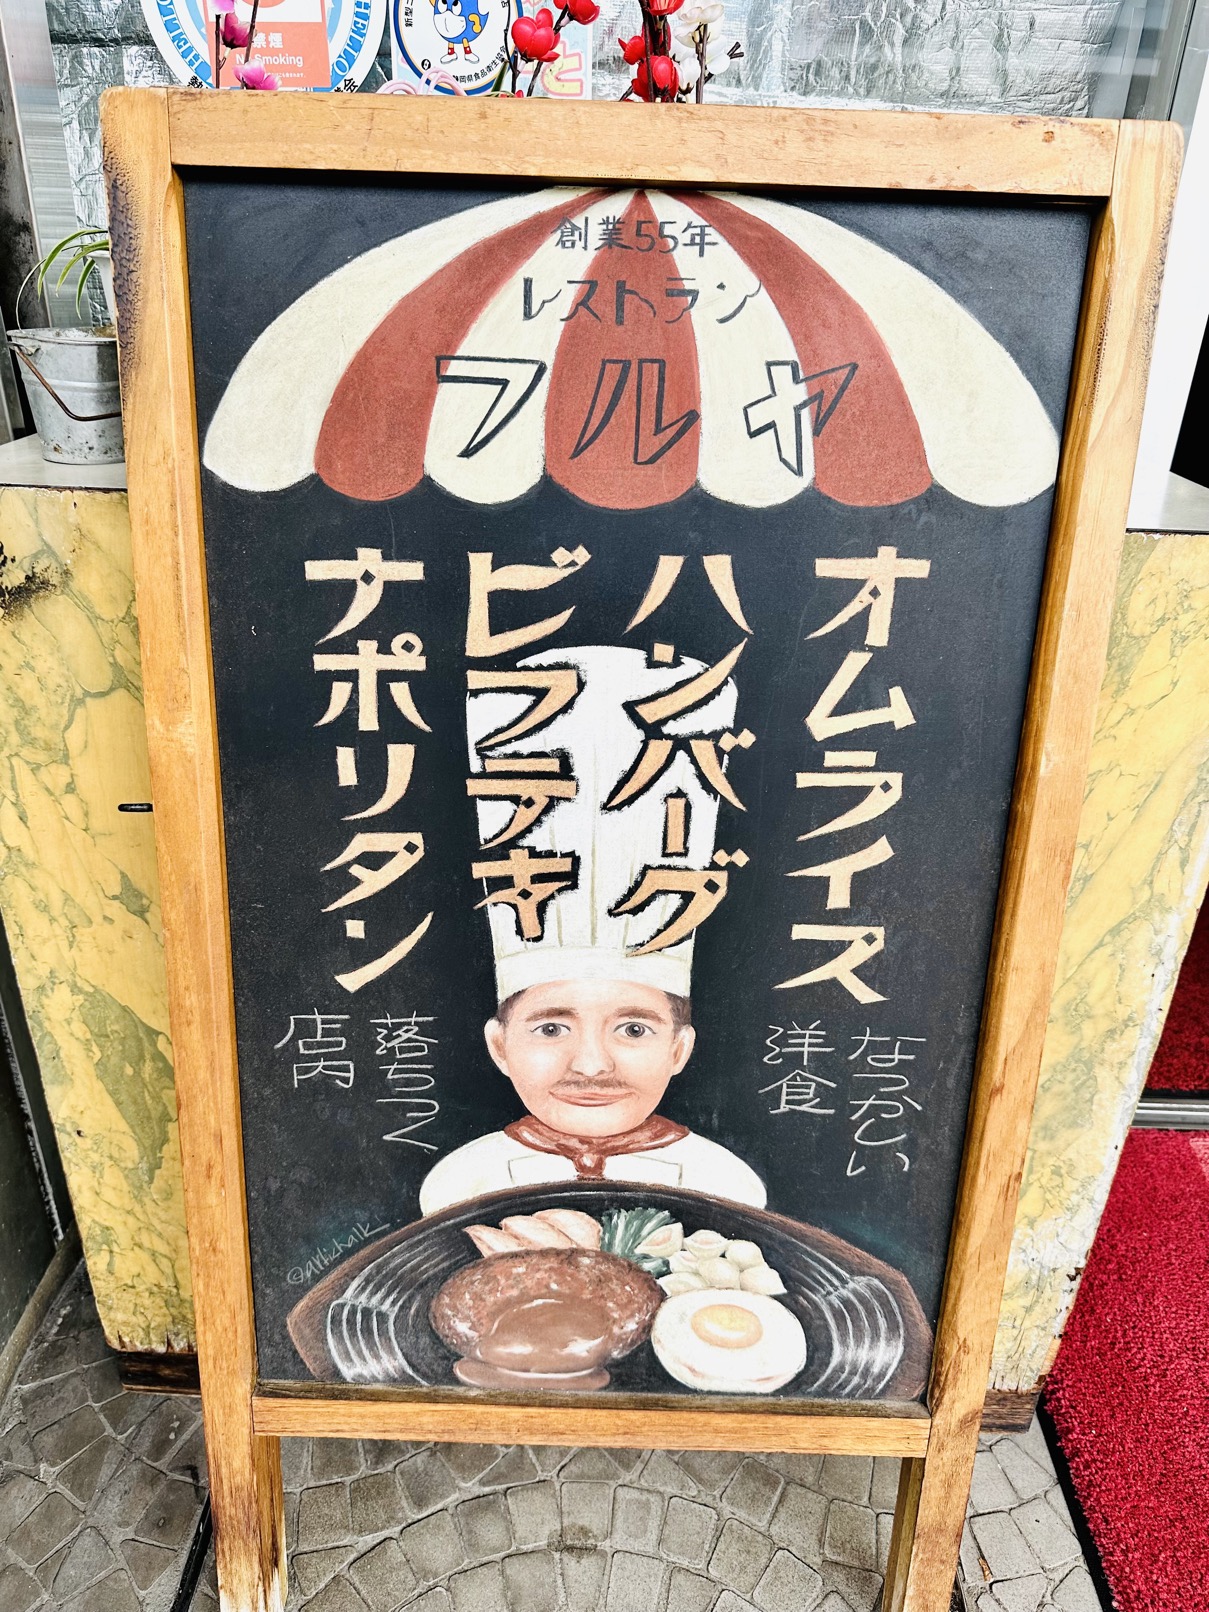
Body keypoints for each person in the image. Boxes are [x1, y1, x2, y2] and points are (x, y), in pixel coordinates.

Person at [418, 975, 766, 1212]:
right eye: (551, 1029)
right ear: (499, 1046)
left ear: (678, 1049)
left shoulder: (727, 1183)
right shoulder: (460, 1182)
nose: (591, 1066)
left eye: (633, 1030)